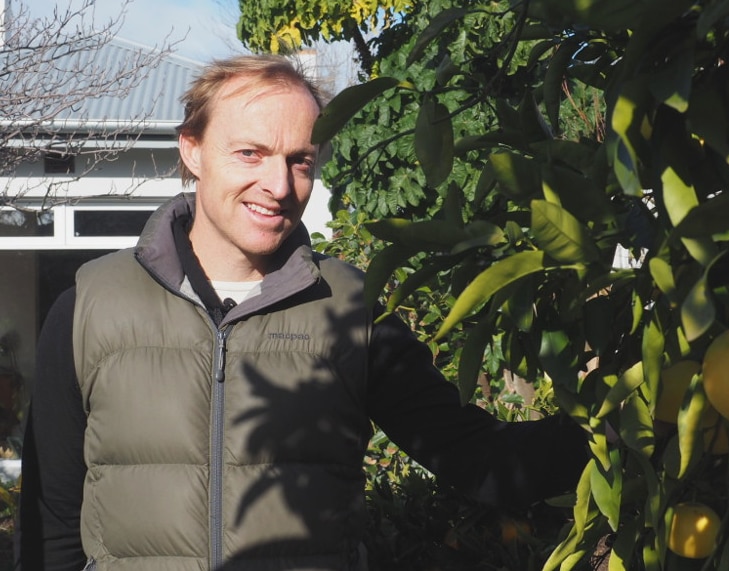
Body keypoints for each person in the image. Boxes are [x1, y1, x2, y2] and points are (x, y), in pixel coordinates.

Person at [19, 54, 589, 571]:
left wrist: (621, 427)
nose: (277, 185)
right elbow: (51, 531)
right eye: (251, 153)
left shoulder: (351, 311)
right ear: (191, 149)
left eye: (301, 161)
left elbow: (477, 459)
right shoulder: (89, 306)